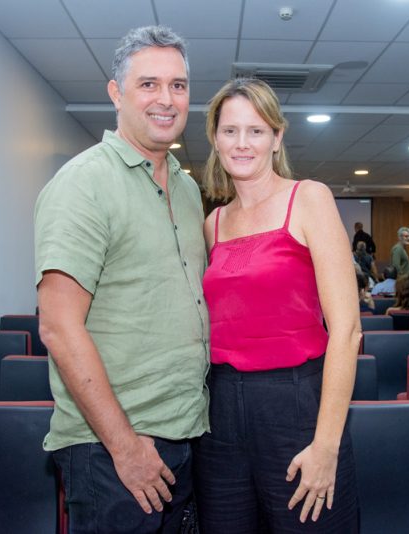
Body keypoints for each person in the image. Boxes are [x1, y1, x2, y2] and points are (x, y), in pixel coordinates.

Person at [34, 26, 209, 532]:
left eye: (178, 85)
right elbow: (59, 327)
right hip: (113, 449)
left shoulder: (186, 188)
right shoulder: (84, 183)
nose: (166, 99)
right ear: (116, 93)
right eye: (148, 84)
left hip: (181, 435)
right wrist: (125, 446)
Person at [196, 78, 359, 532]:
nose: (242, 143)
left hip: (297, 403)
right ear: (215, 139)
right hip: (220, 409)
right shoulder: (212, 223)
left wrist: (325, 445)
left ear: (277, 138)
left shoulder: (308, 198)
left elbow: (346, 331)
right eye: (230, 131)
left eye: (256, 130)